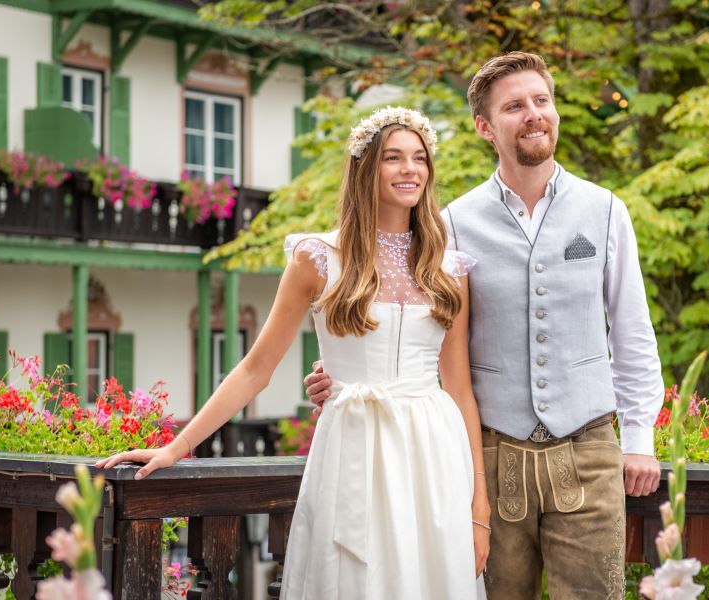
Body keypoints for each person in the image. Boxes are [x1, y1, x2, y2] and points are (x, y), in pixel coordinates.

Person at [304, 53, 665, 599]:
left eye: (542, 101)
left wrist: (639, 437)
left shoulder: (606, 209)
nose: (534, 114)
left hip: (589, 451)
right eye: (515, 106)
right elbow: (412, 327)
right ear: (485, 127)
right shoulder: (450, 225)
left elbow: (634, 334)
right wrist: (343, 373)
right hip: (490, 460)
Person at [96, 107, 490, 600]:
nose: (410, 169)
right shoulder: (317, 257)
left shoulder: (448, 267)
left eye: (419, 158)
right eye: (394, 158)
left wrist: (480, 507)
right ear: (366, 168)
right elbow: (255, 370)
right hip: (353, 445)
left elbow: (459, 388)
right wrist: (178, 446)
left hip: (432, 452)